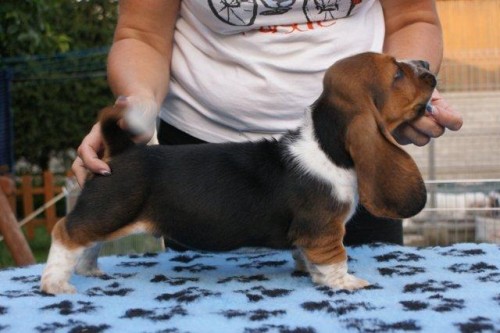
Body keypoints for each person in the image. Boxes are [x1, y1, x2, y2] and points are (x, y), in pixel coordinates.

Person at [72, 0, 463, 246]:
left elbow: (414, 17)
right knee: (206, 311)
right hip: (208, 163)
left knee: (359, 304)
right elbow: (142, 34)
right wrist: (136, 102)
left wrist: (404, 97)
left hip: (352, 153)